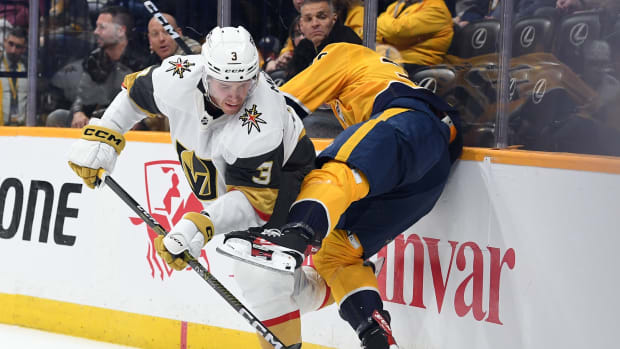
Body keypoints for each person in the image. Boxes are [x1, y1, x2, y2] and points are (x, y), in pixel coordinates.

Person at [66, 26, 322, 349]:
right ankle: (324, 286)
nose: (235, 96)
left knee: (261, 275)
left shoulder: (262, 120)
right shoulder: (180, 75)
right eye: (225, 85)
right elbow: (135, 94)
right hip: (229, 177)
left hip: (285, 172)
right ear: (206, 73)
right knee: (272, 283)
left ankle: (315, 292)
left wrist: (198, 225)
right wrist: (106, 133)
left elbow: (256, 203)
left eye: (244, 84)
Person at [224, 42, 463, 349]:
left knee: (336, 172)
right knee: (338, 254)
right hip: (428, 175)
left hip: (412, 123)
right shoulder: (369, 84)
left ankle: (292, 240)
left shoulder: (341, 54)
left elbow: (277, 111)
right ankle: (376, 334)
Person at [45, 6, 147, 128]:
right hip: (97, 118)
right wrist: (78, 112)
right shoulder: (95, 58)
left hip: (124, 121)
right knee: (57, 117)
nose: (96, 32)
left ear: (121, 31)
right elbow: (82, 95)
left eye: (102, 27)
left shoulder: (139, 62)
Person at [139, 12, 201, 131]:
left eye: (167, 32)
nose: (161, 39)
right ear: (149, 39)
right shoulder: (150, 62)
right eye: (155, 34)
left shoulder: (193, 52)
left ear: (179, 34)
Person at [286, 0, 362, 79]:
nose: (315, 24)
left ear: (334, 19)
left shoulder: (347, 40)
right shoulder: (303, 47)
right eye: (308, 19)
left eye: (322, 17)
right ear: (301, 25)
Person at [376, 0, 454, 75]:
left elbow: (396, 31)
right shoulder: (398, 4)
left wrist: (380, 22)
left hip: (416, 65)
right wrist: (386, 34)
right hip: (390, 59)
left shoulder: (436, 9)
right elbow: (371, 32)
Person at [0, 26, 28, 126]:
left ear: (24, 49)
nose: (13, 50)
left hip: (23, 129)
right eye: (10, 44)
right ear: (4, 42)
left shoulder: (29, 68)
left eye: (18, 47)